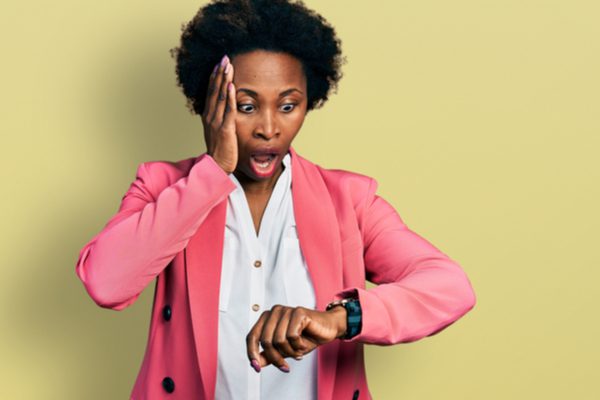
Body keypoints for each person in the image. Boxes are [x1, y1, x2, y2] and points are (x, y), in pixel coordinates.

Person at [75, 0, 477, 399]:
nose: (269, 129)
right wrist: (211, 174)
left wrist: (339, 320)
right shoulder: (163, 186)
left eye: (288, 106)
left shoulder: (349, 200)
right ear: (210, 104)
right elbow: (106, 284)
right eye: (246, 107)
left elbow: (450, 287)